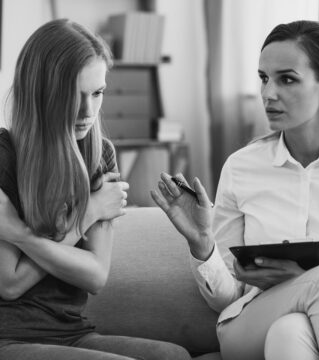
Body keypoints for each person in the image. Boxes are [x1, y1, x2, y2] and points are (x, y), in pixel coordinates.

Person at [151, 20, 319, 360]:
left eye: (286, 79)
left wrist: (301, 278)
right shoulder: (242, 166)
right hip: (247, 323)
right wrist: (201, 243)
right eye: (264, 78)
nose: (268, 94)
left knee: (290, 332)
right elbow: (227, 296)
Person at [0, 19, 191, 360]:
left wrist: (21, 235)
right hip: (8, 337)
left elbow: (95, 275)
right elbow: (10, 283)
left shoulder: (99, 155)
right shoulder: (3, 156)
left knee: (172, 356)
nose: (87, 112)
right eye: (74, 94)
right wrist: (88, 212)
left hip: (71, 332)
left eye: (98, 93)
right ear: (40, 92)